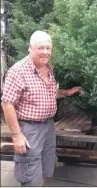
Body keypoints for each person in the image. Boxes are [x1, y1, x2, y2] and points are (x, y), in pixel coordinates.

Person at [1, 30, 82, 186]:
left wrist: (66, 92)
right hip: (29, 129)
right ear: (30, 48)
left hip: (48, 126)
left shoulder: (48, 68)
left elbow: (48, 92)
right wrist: (17, 135)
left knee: (44, 169)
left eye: (48, 48)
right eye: (41, 48)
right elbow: (7, 103)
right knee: (30, 173)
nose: (45, 52)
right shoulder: (18, 71)